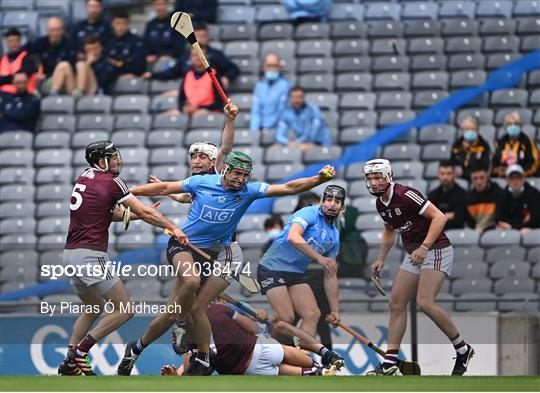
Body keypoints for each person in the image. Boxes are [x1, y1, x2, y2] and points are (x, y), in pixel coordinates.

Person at [117, 153, 336, 376]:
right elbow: (164, 189)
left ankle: (145, 351)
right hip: (185, 247)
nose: (240, 179)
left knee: (192, 309)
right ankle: (184, 328)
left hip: (218, 254)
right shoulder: (201, 182)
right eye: (237, 173)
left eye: (244, 175)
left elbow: (289, 188)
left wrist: (318, 179)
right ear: (225, 170)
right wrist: (126, 193)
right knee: (190, 283)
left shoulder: (249, 191)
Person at [58, 140, 186, 376]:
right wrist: (172, 227)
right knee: (125, 309)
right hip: (90, 255)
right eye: (113, 156)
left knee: (94, 306)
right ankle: (80, 352)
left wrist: (136, 216)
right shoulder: (111, 181)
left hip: (70, 255)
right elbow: (145, 211)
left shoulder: (85, 177)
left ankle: (68, 362)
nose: (119, 160)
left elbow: (105, 212)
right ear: (101, 161)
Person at [362, 158, 474, 376]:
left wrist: (424, 246)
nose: (374, 182)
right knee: (396, 303)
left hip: (436, 248)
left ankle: (462, 349)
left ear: (389, 176)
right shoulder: (380, 203)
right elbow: (389, 229)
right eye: (370, 178)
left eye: (378, 177)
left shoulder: (405, 194)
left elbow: (439, 217)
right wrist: (381, 258)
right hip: (415, 253)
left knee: (425, 302)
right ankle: (390, 363)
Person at [162, 300, 343, 376]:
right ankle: (320, 365)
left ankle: (318, 368)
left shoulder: (192, 331)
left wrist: (261, 318)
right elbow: (253, 328)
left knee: (288, 367)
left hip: (245, 368)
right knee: (300, 359)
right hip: (258, 346)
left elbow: (196, 364)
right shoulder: (220, 309)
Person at [257, 186, 343, 340]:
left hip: (295, 273)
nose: (332, 204)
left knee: (313, 314)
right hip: (272, 267)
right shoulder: (309, 212)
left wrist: (335, 311)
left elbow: (331, 274)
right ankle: (263, 345)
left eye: (337, 201)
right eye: (329, 199)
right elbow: (293, 237)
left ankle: (300, 358)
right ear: (322, 201)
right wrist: (319, 258)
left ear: (342, 208)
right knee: (287, 318)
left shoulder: (334, 236)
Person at [144, 23, 239, 91]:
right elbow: (173, 72)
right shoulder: (186, 55)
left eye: (203, 36)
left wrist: (226, 78)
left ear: (208, 37)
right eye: (198, 36)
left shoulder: (215, 54)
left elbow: (233, 68)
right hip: (190, 91)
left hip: (209, 92)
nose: (200, 39)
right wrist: (153, 75)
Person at [24, 17, 77, 95]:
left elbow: (73, 68)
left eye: (58, 30)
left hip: (66, 82)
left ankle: (53, 94)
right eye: (52, 30)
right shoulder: (40, 43)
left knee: (64, 65)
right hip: (44, 80)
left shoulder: (70, 44)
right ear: (47, 31)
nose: (55, 33)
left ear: (62, 31)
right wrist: (34, 73)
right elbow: (23, 54)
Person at [51, 35, 118, 96]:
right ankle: (54, 93)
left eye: (95, 48)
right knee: (64, 65)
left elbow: (103, 81)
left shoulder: (107, 62)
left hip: (96, 92)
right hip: (74, 92)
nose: (93, 52)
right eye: (89, 50)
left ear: (101, 48)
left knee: (81, 65)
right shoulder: (80, 59)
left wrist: (88, 63)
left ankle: (79, 92)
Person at [175, 47, 224, 116]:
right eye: (194, 55)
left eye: (200, 55)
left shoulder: (213, 75)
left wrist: (199, 108)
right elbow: (181, 98)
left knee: (199, 115)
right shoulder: (187, 74)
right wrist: (183, 108)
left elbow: (219, 102)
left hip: (209, 112)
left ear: (206, 57)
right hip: (190, 111)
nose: (197, 57)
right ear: (190, 58)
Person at [250, 53, 291, 132]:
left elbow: (282, 111)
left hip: (278, 129)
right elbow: (256, 111)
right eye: (269, 66)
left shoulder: (286, 86)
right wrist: (254, 132)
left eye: (275, 66)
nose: (271, 69)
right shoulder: (259, 86)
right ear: (263, 67)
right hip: (261, 130)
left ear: (280, 67)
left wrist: (269, 129)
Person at [492, 111, 540, 177]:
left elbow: (534, 162)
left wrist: (523, 173)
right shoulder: (500, 143)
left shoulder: (528, 142)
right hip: (503, 177)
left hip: (523, 177)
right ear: (505, 126)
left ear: (520, 126)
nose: (513, 126)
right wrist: (498, 171)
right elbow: (495, 162)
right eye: (509, 124)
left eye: (516, 124)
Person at [496, 164, 540, 235]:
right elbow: (500, 218)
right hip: (507, 229)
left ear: (523, 178)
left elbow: (535, 220)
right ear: (507, 180)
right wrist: (522, 222)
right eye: (512, 178)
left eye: (518, 177)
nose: (515, 181)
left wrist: (512, 226)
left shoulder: (534, 194)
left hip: (528, 230)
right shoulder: (502, 195)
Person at [144, 0, 186, 67]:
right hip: (152, 59)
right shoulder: (150, 24)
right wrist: (148, 55)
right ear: (153, 6)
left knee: (165, 64)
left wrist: (166, 55)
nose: (160, 7)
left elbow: (179, 46)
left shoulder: (175, 22)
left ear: (168, 5)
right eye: (157, 4)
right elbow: (145, 44)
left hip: (171, 59)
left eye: (162, 4)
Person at [428, 160, 467, 230]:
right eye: (442, 173)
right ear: (438, 174)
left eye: (449, 173)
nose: (445, 177)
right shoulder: (432, 195)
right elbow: (429, 219)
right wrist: (449, 216)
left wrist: (439, 217)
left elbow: (459, 220)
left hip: (456, 232)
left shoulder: (462, 194)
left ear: (454, 174)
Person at [106, 12, 147, 78]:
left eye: (124, 23)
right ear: (112, 24)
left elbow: (140, 65)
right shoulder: (108, 41)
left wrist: (122, 64)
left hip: (130, 76)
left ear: (128, 24)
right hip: (110, 77)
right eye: (118, 23)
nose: (121, 27)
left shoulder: (136, 41)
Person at [465, 165, 504, 234]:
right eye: (475, 178)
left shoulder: (498, 193)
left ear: (487, 178)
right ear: (471, 180)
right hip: (476, 232)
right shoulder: (469, 198)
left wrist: (485, 230)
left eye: (482, 178)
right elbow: (469, 222)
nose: (479, 182)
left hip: (495, 230)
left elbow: (500, 219)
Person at [450, 116, 490, 180]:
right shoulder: (457, 145)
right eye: (467, 129)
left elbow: (485, 167)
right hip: (459, 179)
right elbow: (452, 163)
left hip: (478, 179)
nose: (470, 132)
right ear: (462, 131)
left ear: (477, 130)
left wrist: (465, 174)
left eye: (473, 129)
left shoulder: (484, 145)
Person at [0, 28, 37, 94]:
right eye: (10, 41)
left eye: (15, 41)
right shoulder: (2, 59)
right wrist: (11, 77)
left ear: (20, 42)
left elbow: (23, 75)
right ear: (7, 43)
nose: (13, 44)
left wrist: (5, 79)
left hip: (23, 95)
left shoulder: (27, 57)